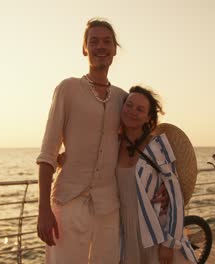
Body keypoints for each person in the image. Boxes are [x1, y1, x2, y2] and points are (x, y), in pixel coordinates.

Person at [36, 18, 127, 264]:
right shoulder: (67, 89)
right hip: (68, 203)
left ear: (115, 49)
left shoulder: (122, 98)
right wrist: (43, 210)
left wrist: (161, 186)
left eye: (107, 41)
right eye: (93, 41)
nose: (101, 46)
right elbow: (47, 153)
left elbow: (138, 149)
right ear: (84, 48)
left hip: (109, 208)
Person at [117, 86, 197, 264]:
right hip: (125, 236)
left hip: (157, 234)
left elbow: (175, 195)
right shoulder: (113, 145)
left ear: (148, 117)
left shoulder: (156, 146)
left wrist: (169, 244)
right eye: (129, 105)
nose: (132, 112)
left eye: (140, 109)